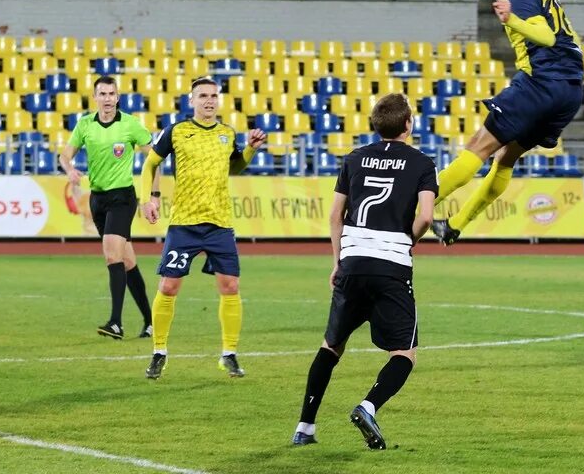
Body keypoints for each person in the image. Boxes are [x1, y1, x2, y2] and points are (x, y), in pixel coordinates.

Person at [292, 93, 436, 450]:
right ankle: (368, 406)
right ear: (408, 124)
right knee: (404, 352)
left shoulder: (354, 159)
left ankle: (304, 427)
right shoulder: (421, 162)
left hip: (353, 262)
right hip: (391, 265)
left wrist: (337, 262)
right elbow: (427, 217)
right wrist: (408, 239)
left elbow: (335, 216)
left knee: (331, 346)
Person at [431, 0, 584, 245]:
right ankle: (454, 225)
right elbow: (567, 37)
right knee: (505, 157)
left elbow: (547, 36)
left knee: (478, 146)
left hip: (541, 83)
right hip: (570, 91)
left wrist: (512, 19)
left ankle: (412, 204)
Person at [138, 77, 266, 380]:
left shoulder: (226, 133)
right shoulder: (177, 132)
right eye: (202, 96)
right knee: (169, 286)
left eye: (213, 96)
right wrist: (148, 200)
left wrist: (249, 150)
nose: (209, 101)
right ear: (191, 100)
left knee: (230, 286)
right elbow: (149, 165)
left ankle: (229, 354)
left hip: (220, 223)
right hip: (184, 223)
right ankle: (159, 352)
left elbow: (234, 168)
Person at [59, 75, 155, 340]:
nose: (108, 99)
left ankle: (116, 323)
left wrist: (152, 195)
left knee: (112, 256)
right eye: (102, 94)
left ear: (118, 97)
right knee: (127, 261)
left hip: (122, 198)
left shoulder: (130, 125)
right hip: (98, 199)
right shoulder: (85, 125)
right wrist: (69, 169)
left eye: (112, 94)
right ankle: (151, 321)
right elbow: (65, 155)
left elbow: (154, 158)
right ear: (95, 97)